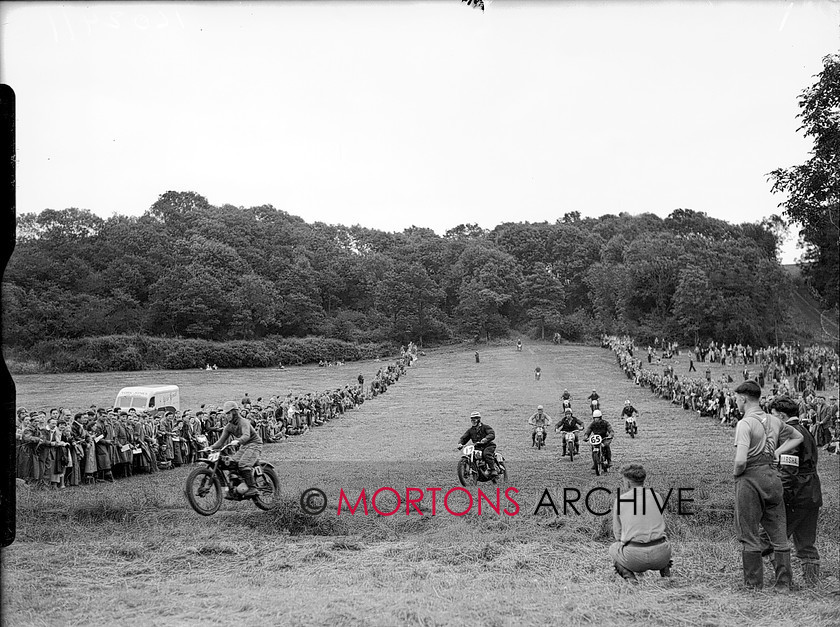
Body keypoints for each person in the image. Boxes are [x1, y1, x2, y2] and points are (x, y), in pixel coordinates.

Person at [732, 380, 803, 590]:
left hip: (750, 479)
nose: (736, 403)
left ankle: (753, 585)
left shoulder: (745, 423)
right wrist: (777, 452)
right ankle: (783, 583)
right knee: (779, 535)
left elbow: (740, 460)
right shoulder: (774, 420)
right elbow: (797, 436)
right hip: (772, 478)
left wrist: (737, 474)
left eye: (737, 399)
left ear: (743, 399)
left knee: (749, 533)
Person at [760, 396, 823, 586]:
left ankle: (781, 580)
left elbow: (787, 472)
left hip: (795, 496)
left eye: (772, 415)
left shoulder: (788, 434)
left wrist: (778, 498)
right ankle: (813, 585)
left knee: (769, 538)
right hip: (811, 495)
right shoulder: (805, 430)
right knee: (806, 544)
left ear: (780, 415)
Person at [609, 464, 673, 582]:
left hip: (634, 557)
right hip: (662, 556)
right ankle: (665, 571)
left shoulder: (620, 500)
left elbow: (618, 534)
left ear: (627, 482)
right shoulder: (657, 496)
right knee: (662, 537)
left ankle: (630, 578)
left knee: (613, 548)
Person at [210, 401, 263, 498]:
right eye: (226, 414)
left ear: (235, 412)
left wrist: (238, 441)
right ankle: (236, 487)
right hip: (244, 446)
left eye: (229, 413)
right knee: (232, 463)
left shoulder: (244, 422)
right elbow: (220, 442)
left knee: (243, 464)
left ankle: (252, 488)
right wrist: (211, 447)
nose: (227, 416)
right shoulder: (229, 426)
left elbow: (246, 435)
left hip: (254, 444)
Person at [457, 411, 499, 478]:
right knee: (471, 456)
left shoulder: (485, 427)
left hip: (488, 445)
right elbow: (464, 438)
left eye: (474, 419)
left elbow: (491, 434)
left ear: (479, 419)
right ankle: (476, 470)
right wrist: (460, 444)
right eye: (472, 419)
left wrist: (485, 439)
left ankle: (493, 469)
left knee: (486, 454)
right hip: (477, 447)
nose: (473, 421)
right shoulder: (470, 430)